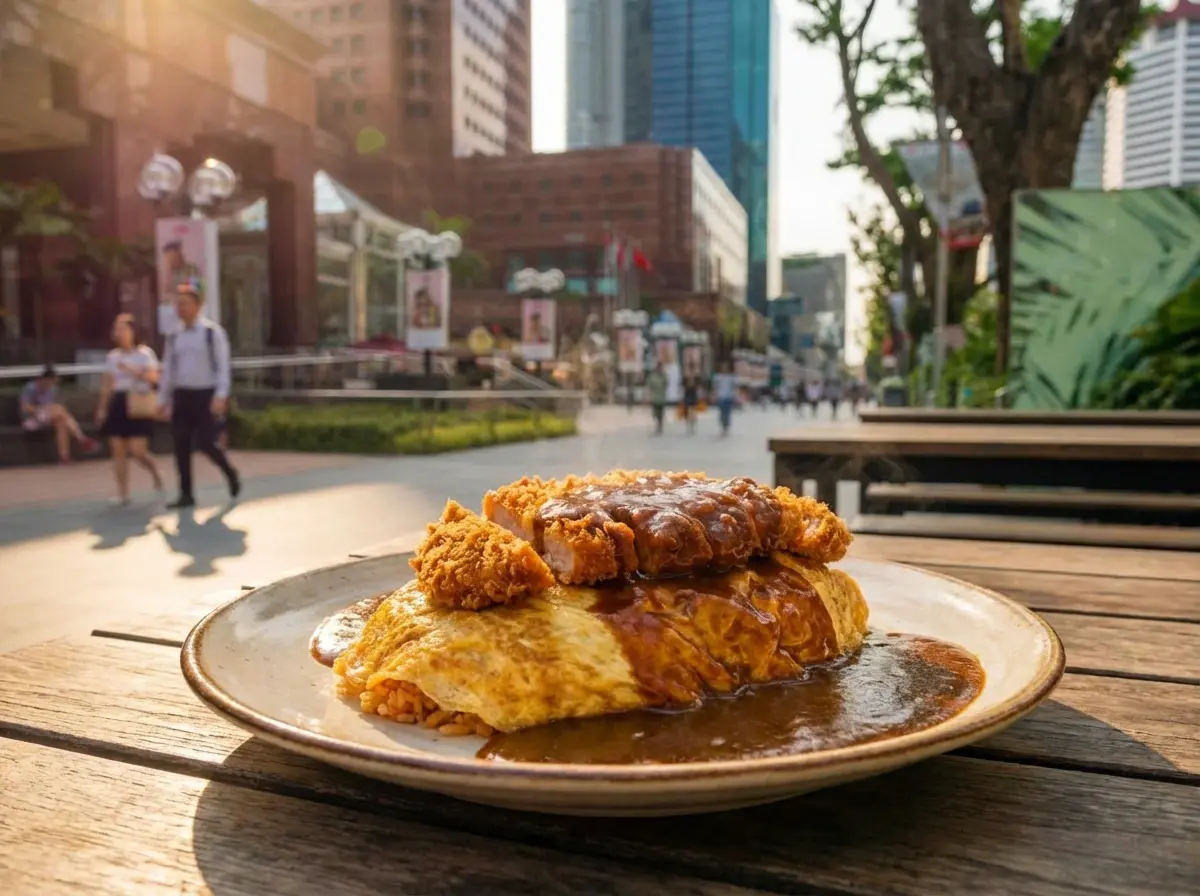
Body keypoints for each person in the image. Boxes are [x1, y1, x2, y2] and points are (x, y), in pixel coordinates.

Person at [158, 278, 240, 509]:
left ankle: (229, 471)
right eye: (178, 303)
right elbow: (168, 370)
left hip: (206, 395)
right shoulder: (174, 336)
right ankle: (186, 493)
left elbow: (223, 367)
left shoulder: (212, 334)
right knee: (180, 444)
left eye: (185, 303)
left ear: (197, 305)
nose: (180, 308)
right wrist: (162, 399)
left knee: (205, 442)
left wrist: (221, 395)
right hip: (182, 396)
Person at [95, 314, 165, 505]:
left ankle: (155, 471)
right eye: (117, 329)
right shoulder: (112, 357)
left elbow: (154, 378)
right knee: (118, 449)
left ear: (133, 331)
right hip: (118, 402)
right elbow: (107, 384)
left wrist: (131, 370)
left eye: (123, 329)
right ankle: (123, 492)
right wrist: (102, 409)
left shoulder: (144, 354)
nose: (119, 333)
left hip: (139, 402)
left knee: (138, 450)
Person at [20, 365, 99, 463]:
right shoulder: (30, 388)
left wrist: (48, 410)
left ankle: (64, 457)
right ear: (44, 379)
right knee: (60, 410)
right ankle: (81, 438)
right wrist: (41, 409)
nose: (52, 384)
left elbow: (50, 405)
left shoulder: (52, 389)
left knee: (62, 423)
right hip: (32, 419)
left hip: (47, 416)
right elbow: (26, 407)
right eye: (51, 381)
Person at [712, 362, 737, 437]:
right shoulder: (717, 377)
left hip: (729, 397)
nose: (724, 369)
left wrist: (735, 395)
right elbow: (715, 387)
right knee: (722, 413)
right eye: (723, 368)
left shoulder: (731, 377)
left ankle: (726, 427)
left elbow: (734, 387)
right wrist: (714, 395)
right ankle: (723, 427)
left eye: (725, 368)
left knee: (727, 413)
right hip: (720, 397)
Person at [645, 363, 668, 435]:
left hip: (661, 398)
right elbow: (649, 386)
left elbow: (666, 384)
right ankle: (658, 425)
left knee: (661, 413)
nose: (660, 369)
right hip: (655, 398)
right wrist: (648, 395)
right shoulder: (652, 376)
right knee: (655, 413)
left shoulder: (664, 376)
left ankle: (660, 426)